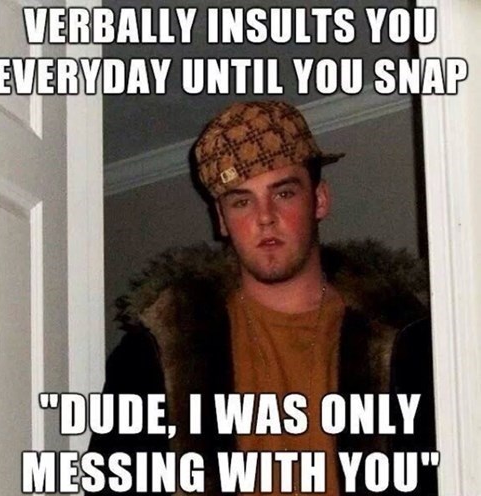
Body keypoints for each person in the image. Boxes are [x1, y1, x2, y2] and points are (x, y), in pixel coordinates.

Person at [90, 101, 436, 495]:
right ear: (221, 219)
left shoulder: (408, 342)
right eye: (241, 201)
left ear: (319, 199)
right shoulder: (157, 352)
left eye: (283, 193)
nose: (264, 217)